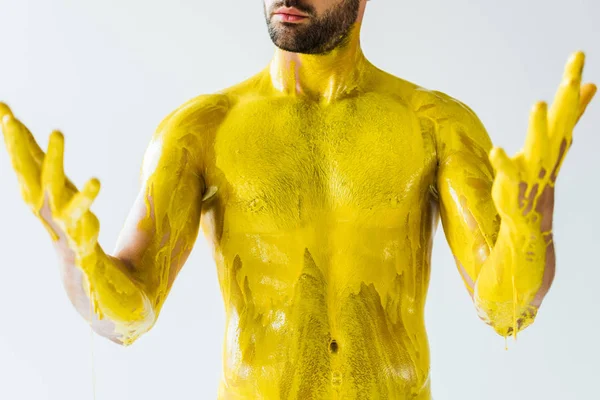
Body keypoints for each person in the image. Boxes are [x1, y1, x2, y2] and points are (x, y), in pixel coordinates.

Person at [0, 0, 596, 398]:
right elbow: (127, 311)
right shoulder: (201, 130)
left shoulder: (433, 124)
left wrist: (530, 231)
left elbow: (505, 306)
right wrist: (69, 250)